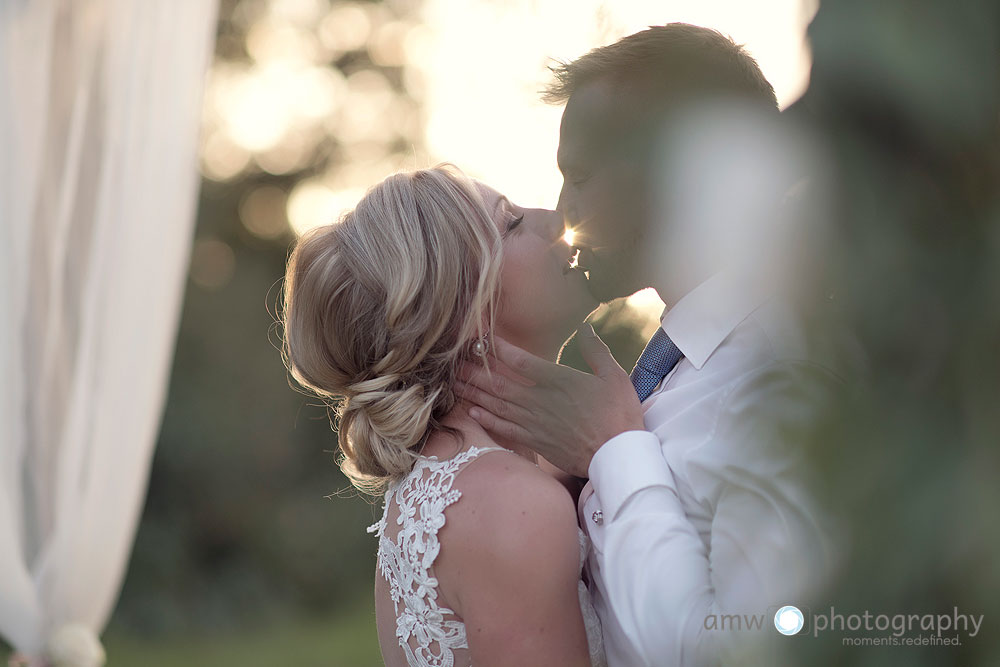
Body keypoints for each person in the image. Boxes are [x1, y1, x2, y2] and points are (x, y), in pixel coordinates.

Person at [456, 24, 842, 665]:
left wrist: (615, 452)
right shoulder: (674, 365)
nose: (561, 210)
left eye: (578, 176)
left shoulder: (781, 381)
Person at [280, 165, 607, 667]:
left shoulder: (457, 487)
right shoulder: (511, 502)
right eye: (513, 224)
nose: (554, 219)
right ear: (463, 307)